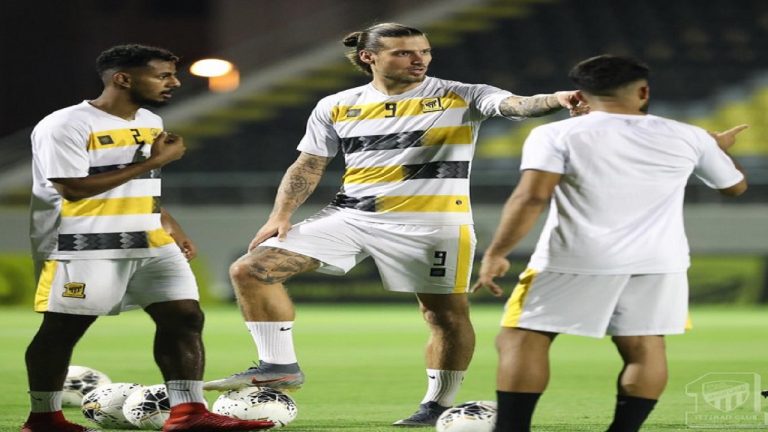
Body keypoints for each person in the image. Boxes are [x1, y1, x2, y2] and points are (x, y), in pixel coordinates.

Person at [203, 23, 584, 427]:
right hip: (352, 216)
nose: (419, 59)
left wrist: (557, 99)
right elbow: (309, 164)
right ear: (369, 57)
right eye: (403, 52)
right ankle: (279, 366)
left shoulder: (462, 94)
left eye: (424, 51)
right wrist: (280, 215)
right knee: (250, 269)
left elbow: (517, 105)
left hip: (434, 223)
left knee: (444, 316)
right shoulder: (336, 105)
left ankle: (436, 404)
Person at [472, 54, 748, 432]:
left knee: (522, 337)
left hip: (574, 257)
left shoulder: (555, 134)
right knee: (644, 345)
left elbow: (531, 197)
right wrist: (718, 150)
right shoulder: (689, 135)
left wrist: (497, 252)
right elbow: (734, 187)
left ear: (580, 95)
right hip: (659, 261)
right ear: (643, 91)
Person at [23, 44, 273, 432]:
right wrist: (155, 160)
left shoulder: (150, 120)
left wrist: (170, 224)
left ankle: (188, 413)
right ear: (123, 79)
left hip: (148, 239)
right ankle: (44, 418)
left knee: (185, 316)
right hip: (83, 244)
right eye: (162, 75)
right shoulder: (65, 125)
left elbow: (141, 184)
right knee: (63, 329)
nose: (174, 82)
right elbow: (72, 189)